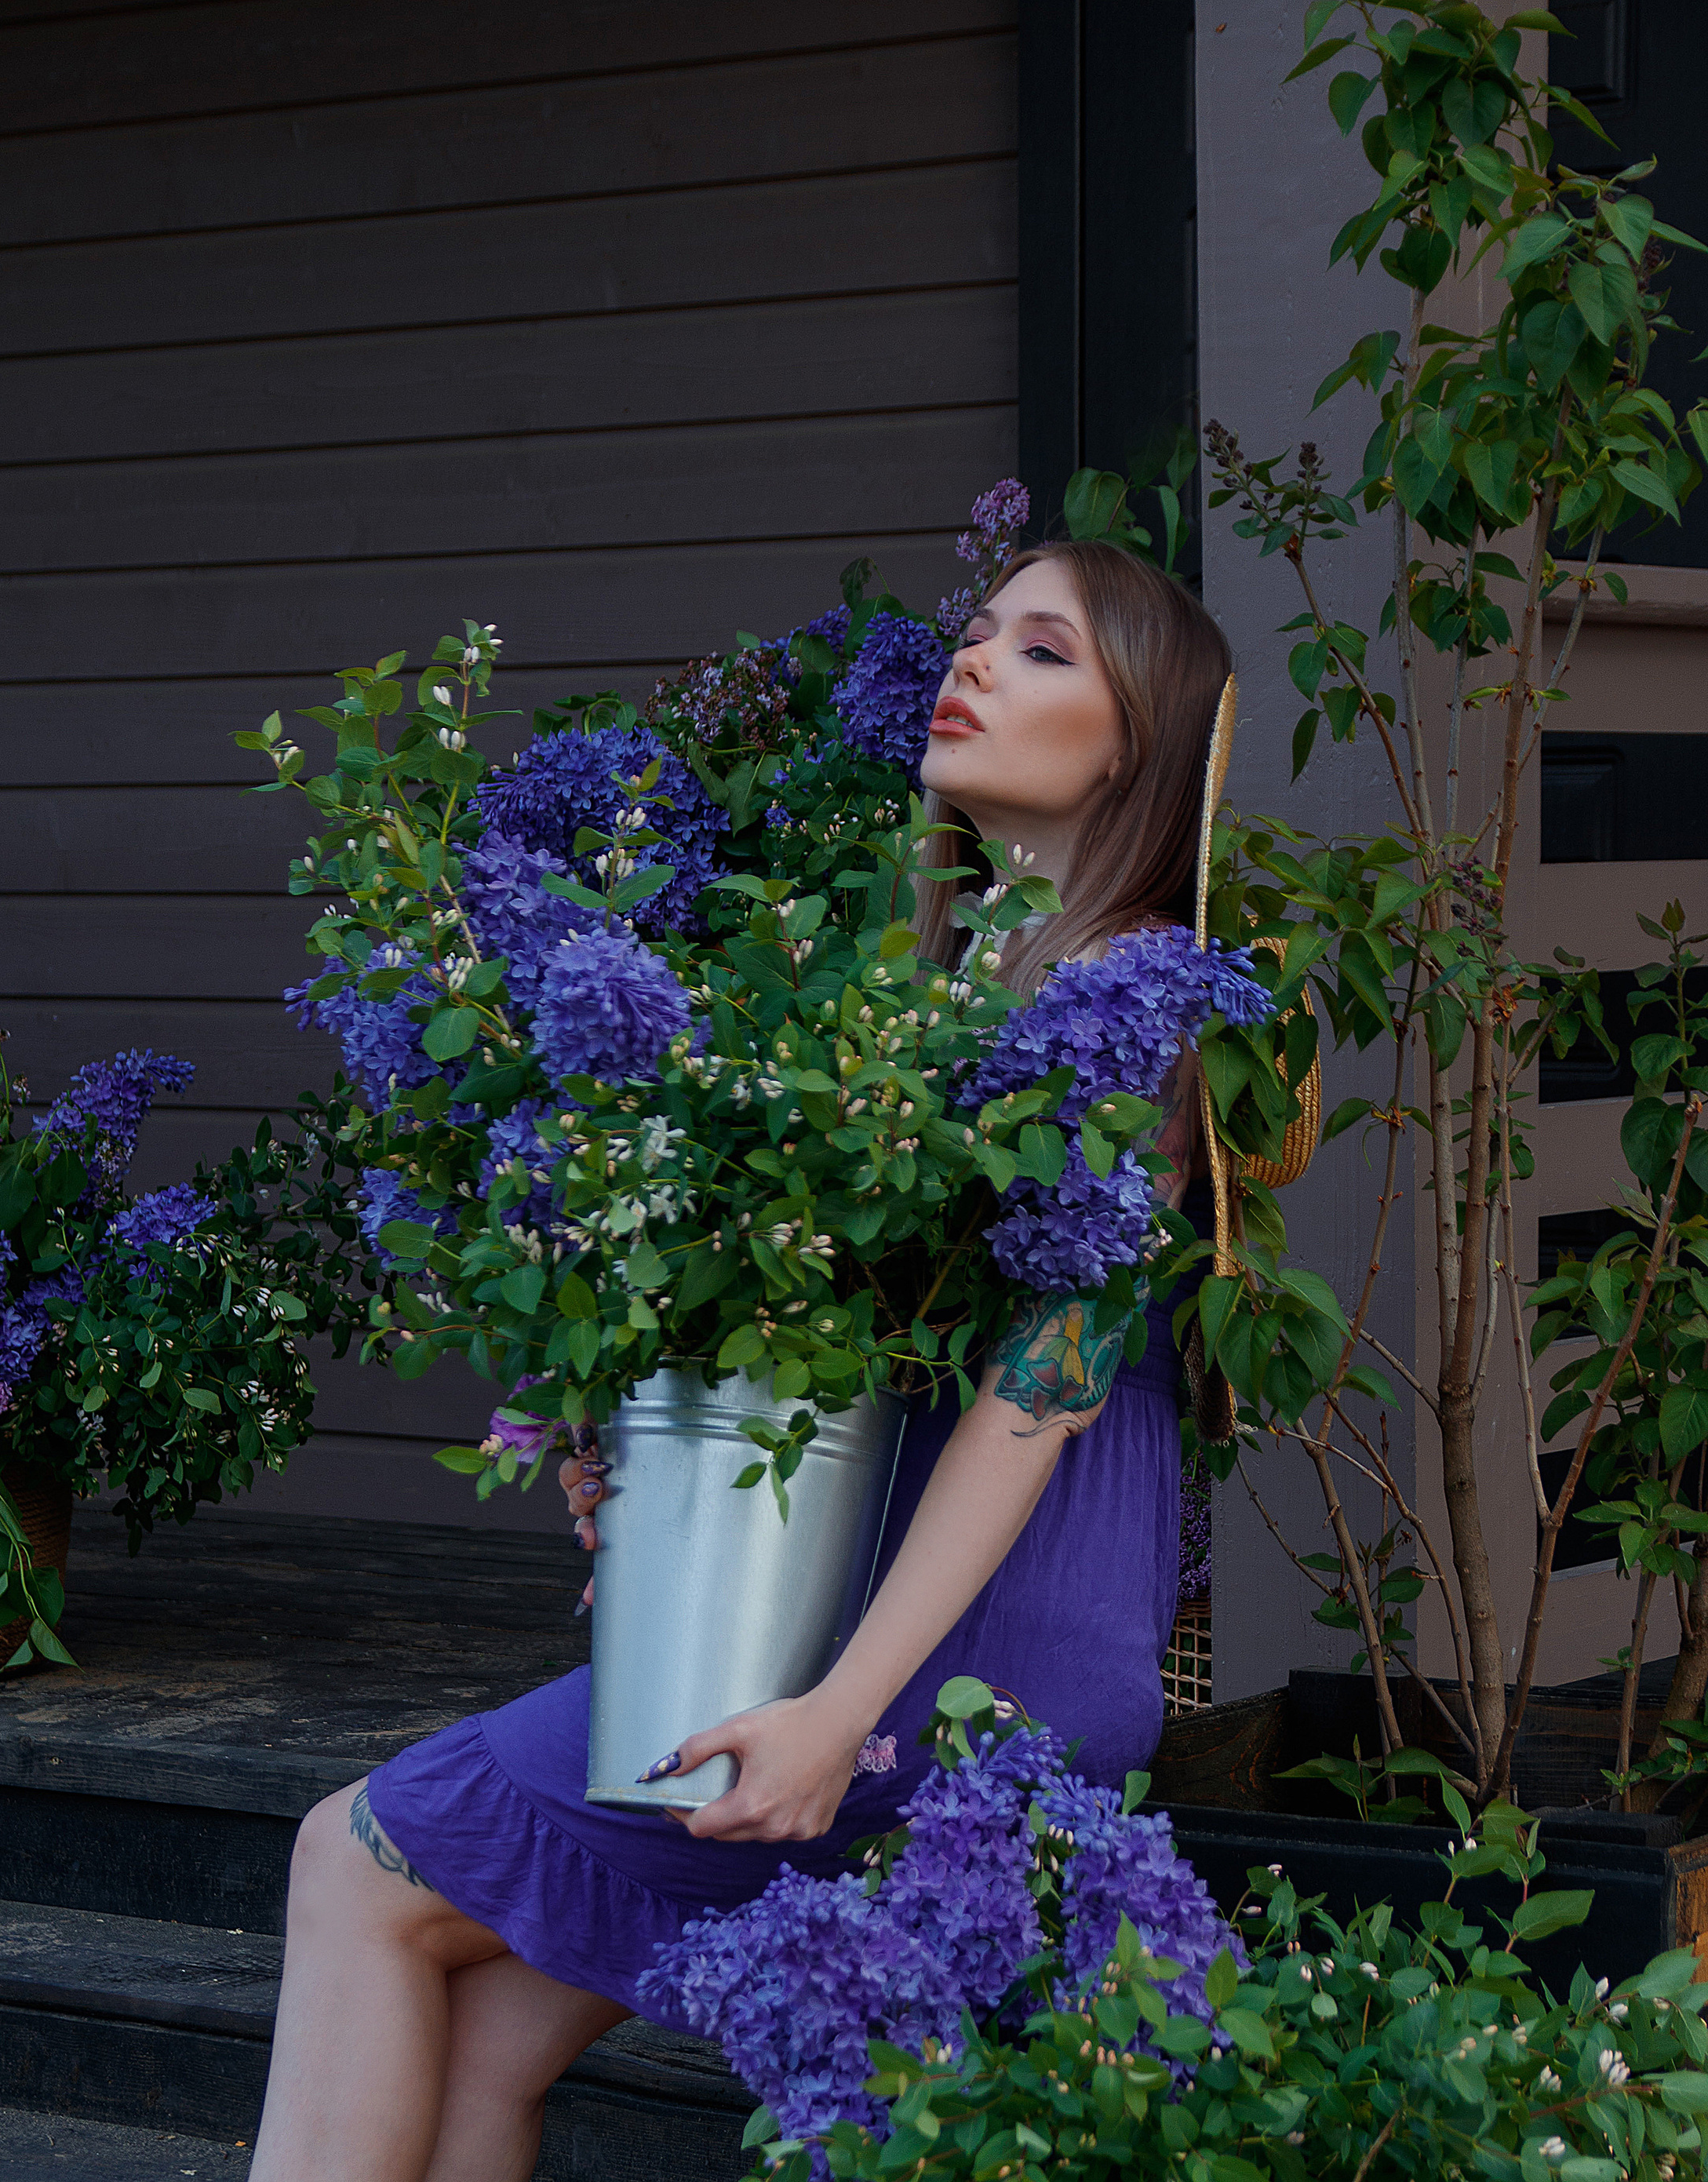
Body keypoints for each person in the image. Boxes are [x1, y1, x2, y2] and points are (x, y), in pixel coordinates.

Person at [248, 537, 1233, 2182]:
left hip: (954, 1647)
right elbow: (828, 1350)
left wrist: (834, 1711)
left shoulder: (1129, 996)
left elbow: (1037, 1386)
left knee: (351, 1865)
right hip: (908, 1616)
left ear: (1135, 740)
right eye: (977, 629)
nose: (976, 658)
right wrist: (653, 1449)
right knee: (475, 2024)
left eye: (1043, 649)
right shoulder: (939, 992)